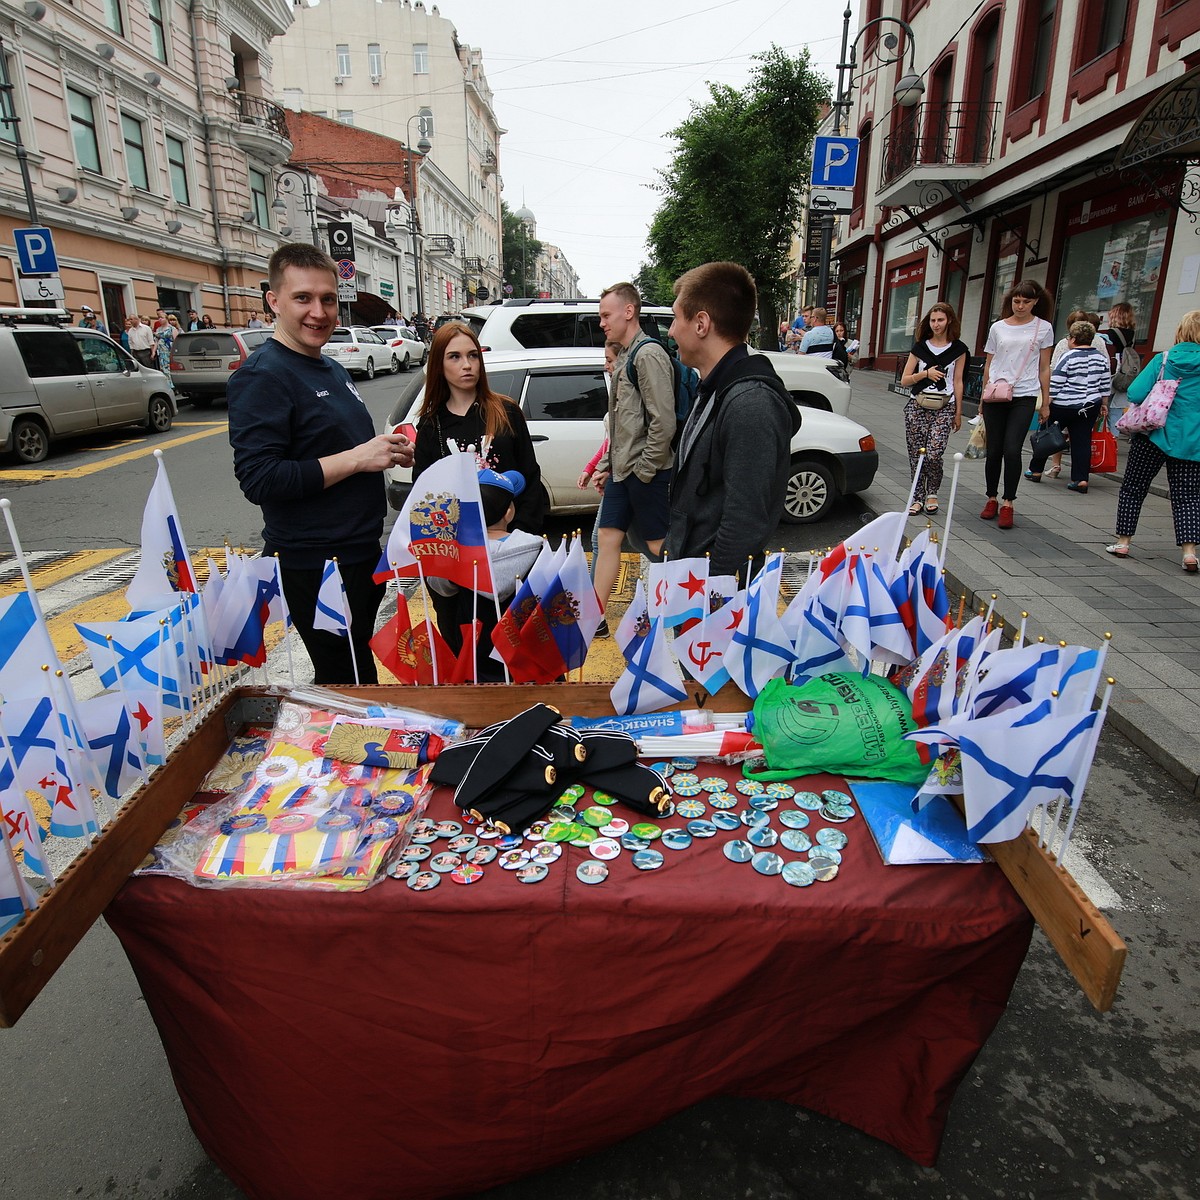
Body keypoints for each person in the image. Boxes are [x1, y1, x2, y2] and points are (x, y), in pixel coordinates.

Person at [227, 242, 413, 684]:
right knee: (346, 679)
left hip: (357, 553)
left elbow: (334, 447)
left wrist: (381, 450)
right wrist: (356, 457)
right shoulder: (263, 375)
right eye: (303, 298)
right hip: (317, 564)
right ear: (273, 301)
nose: (319, 312)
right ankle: (347, 749)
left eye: (328, 299)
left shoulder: (329, 367)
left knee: (354, 670)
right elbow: (260, 479)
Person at [411, 321, 543, 649]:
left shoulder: (506, 411)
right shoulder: (431, 424)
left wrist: (521, 540)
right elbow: (423, 497)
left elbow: (531, 478)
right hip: (456, 560)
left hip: (508, 558)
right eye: (454, 357)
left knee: (513, 647)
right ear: (439, 365)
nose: (467, 365)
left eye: (472, 355)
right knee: (464, 649)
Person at [665, 261, 801, 578]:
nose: (671, 331)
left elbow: (745, 520)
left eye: (675, 317)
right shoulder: (716, 387)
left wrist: (709, 604)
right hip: (691, 577)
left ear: (701, 323)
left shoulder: (750, 404)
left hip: (712, 599)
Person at [592, 282, 676, 617]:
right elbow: (624, 426)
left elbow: (663, 423)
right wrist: (609, 466)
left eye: (605, 315)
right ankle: (593, 619)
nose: (601, 322)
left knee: (658, 546)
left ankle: (688, 609)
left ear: (629, 311)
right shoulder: (624, 355)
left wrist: (643, 471)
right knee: (607, 537)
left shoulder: (649, 355)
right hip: (623, 471)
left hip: (646, 473)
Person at [426, 469, 543, 680]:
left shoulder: (454, 555)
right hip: (526, 658)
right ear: (509, 512)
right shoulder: (537, 550)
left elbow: (440, 588)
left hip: (473, 658)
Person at [1106, 310, 1200, 572]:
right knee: (1188, 497)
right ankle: (1189, 554)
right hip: (1191, 441)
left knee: (1133, 488)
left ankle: (1123, 542)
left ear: (1181, 331)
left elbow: (1135, 392)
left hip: (1153, 436)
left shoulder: (1163, 359)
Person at [979, 280, 1055, 529]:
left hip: (1024, 394)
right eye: (1016, 301)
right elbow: (989, 363)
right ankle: (991, 497)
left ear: (1035, 302)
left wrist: (1046, 401)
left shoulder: (1043, 328)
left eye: (1026, 301)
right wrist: (982, 397)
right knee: (994, 450)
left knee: (1012, 449)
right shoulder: (998, 327)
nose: (1020, 306)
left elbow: (1044, 367)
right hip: (996, 394)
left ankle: (1008, 501)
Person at [899, 302, 969, 516]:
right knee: (916, 454)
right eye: (933, 320)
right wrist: (925, 374)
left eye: (940, 320)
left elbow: (958, 381)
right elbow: (904, 380)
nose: (936, 324)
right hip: (917, 405)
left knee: (934, 454)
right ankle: (917, 497)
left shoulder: (959, 349)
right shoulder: (920, 348)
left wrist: (958, 412)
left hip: (944, 406)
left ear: (949, 321)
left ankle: (933, 492)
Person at [1026, 320, 1111, 494]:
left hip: (1064, 404)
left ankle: (1035, 470)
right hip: (1090, 405)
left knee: (1046, 433)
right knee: (1082, 441)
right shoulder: (1101, 358)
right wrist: (1104, 403)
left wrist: (1046, 405)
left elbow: (1056, 383)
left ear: (1072, 339)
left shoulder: (1068, 356)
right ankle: (1080, 479)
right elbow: (1105, 383)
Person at [1101, 302, 1139, 423]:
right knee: (1117, 407)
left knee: (1104, 403)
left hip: (1113, 368)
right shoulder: (1132, 334)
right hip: (1126, 369)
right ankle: (1114, 436)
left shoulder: (1111, 333)